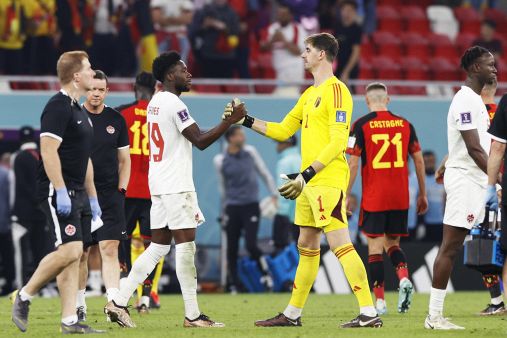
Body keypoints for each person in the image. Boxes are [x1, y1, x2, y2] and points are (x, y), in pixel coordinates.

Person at [224, 32, 381, 328]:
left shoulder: (338, 91)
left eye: (307, 50)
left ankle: (369, 312)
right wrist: (244, 120)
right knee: (307, 245)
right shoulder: (308, 94)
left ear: (322, 54)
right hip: (308, 184)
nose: (302, 55)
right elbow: (283, 130)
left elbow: (337, 142)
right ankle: (292, 314)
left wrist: (306, 173)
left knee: (340, 244)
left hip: (325, 179)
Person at [104, 51, 246, 328]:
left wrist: (222, 121)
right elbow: (201, 140)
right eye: (183, 70)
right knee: (186, 247)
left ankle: (118, 301)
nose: (188, 73)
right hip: (176, 186)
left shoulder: (156, 102)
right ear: (170, 76)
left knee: (157, 248)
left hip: (158, 185)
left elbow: (189, 136)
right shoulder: (173, 104)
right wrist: (230, 121)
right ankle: (192, 315)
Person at [11, 51, 104, 334]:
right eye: (88, 69)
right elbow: (48, 151)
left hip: (78, 190)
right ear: (76, 76)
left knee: (74, 255)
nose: (92, 72)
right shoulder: (57, 107)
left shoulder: (79, 110)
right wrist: (61, 190)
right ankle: (24, 295)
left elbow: (84, 158)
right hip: (57, 188)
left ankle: (69, 322)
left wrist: (93, 198)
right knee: (71, 249)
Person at [424, 46, 497, 330]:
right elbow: (474, 148)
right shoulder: (465, 100)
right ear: (475, 68)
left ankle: (497, 300)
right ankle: (434, 316)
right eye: (489, 64)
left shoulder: (476, 100)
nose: (494, 68)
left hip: (478, 181)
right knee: (451, 246)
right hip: (467, 181)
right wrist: (498, 179)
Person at [346, 82, 428, 315]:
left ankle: (380, 302)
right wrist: (422, 193)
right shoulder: (405, 124)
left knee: (374, 248)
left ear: (367, 101)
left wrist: (344, 195)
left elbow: (353, 163)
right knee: (393, 244)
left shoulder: (360, 125)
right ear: (388, 100)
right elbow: (419, 161)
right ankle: (403, 279)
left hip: (375, 195)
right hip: (400, 195)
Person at [75, 70, 130, 322]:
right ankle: (79, 304)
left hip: (109, 196)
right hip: (81, 195)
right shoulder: (73, 117)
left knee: (110, 249)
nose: (95, 93)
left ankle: (114, 305)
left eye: (100, 89)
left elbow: (124, 160)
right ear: (85, 89)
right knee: (82, 253)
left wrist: (122, 190)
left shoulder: (116, 120)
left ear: (107, 91)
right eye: (91, 89)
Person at [116, 71, 162, 312]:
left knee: (122, 242)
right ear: (155, 88)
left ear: (135, 88)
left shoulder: (121, 113)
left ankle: (123, 289)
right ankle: (145, 298)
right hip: (153, 191)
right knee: (150, 247)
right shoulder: (160, 114)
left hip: (126, 188)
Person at [213, 126, 278, 292]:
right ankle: (234, 284)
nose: (243, 137)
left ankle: (265, 274)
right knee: (232, 247)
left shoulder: (251, 152)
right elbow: (222, 187)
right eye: (240, 135)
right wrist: (225, 208)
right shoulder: (220, 160)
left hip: (251, 206)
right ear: (231, 138)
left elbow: (264, 173)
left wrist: (274, 194)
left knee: (250, 244)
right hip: (233, 207)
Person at [477, 79, 505, 315]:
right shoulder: (499, 108)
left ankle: (497, 301)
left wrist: (491, 185)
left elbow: (473, 148)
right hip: (501, 185)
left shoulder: (477, 113)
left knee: (485, 246)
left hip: (485, 187)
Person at [11, 126, 51, 284]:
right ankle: (42, 285)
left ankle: (23, 284)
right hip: (42, 211)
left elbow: (19, 185)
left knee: (22, 250)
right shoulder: (43, 156)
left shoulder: (18, 157)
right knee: (41, 250)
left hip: (23, 213)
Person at [260, 3, 306, 95]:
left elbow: (299, 51)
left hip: (293, 71)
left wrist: (284, 41)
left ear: (290, 16)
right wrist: (272, 40)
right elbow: (262, 49)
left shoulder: (298, 29)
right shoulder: (272, 28)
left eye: (284, 15)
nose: (281, 17)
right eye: (279, 14)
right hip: (278, 71)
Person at [188, 0, 240, 78]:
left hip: (227, 55)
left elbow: (236, 31)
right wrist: (205, 25)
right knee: (209, 84)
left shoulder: (232, 12)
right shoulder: (204, 10)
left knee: (227, 84)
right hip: (208, 55)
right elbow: (192, 31)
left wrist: (224, 27)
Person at [272, 135, 301, 253]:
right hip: (301, 214)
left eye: (279, 143)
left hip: (287, 215)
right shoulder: (301, 159)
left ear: (287, 144)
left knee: (281, 250)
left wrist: (281, 213)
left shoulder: (284, 162)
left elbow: (284, 190)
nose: (277, 146)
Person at [333, 0, 362, 85]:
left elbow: (356, 53)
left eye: (350, 10)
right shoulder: (337, 27)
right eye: (345, 10)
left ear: (354, 12)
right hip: (338, 68)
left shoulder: (356, 29)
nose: (347, 13)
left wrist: (346, 72)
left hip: (351, 69)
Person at [421, 151, 445, 242]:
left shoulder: (443, 179)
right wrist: (420, 224)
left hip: (442, 222)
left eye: (431, 161)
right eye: (426, 162)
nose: (428, 164)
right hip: (426, 223)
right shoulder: (419, 179)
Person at [0, 154, 14, 295]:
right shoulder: (7, 174)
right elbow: (11, 198)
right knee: (7, 254)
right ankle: (8, 283)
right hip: (3, 221)